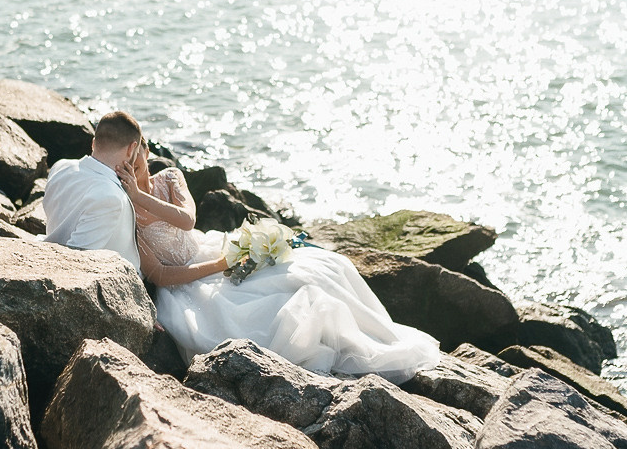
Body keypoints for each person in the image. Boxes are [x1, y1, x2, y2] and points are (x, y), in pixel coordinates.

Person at [116, 142, 440, 383]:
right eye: (125, 167)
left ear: (144, 148)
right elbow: (159, 275)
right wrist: (222, 264)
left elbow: (187, 220)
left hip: (212, 246)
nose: (133, 169)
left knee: (329, 266)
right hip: (192, 283)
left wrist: (138, 193)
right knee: (292, 300)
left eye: (137, 160)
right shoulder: (129, 217)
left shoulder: (170, 176)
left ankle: (384, 338)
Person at [41, 110, 147, 270]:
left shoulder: (60, 166)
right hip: (108, 279)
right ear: (131, 149)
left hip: (50, 250)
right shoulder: (110, 197)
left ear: (93, 143)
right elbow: (76, 260)